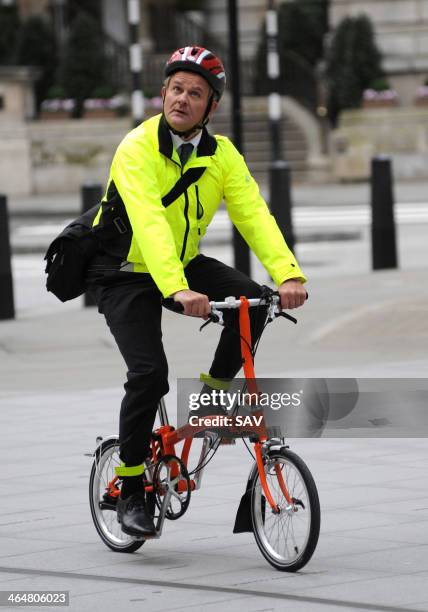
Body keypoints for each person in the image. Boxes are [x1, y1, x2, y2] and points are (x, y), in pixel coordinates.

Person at [87, 45, 307, 538]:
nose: (182, 100)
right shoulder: (137, 147)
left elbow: (254, 214)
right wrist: (179, 290)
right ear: (162, 93)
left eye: (196, 93)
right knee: (149, 373)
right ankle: (130, 489)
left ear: (211, 107)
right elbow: (148, 223)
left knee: (254, 303)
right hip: (124, 270)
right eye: (176, 89)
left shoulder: (221, 154)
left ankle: (212, 399)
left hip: (179, 265)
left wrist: (288, 274)